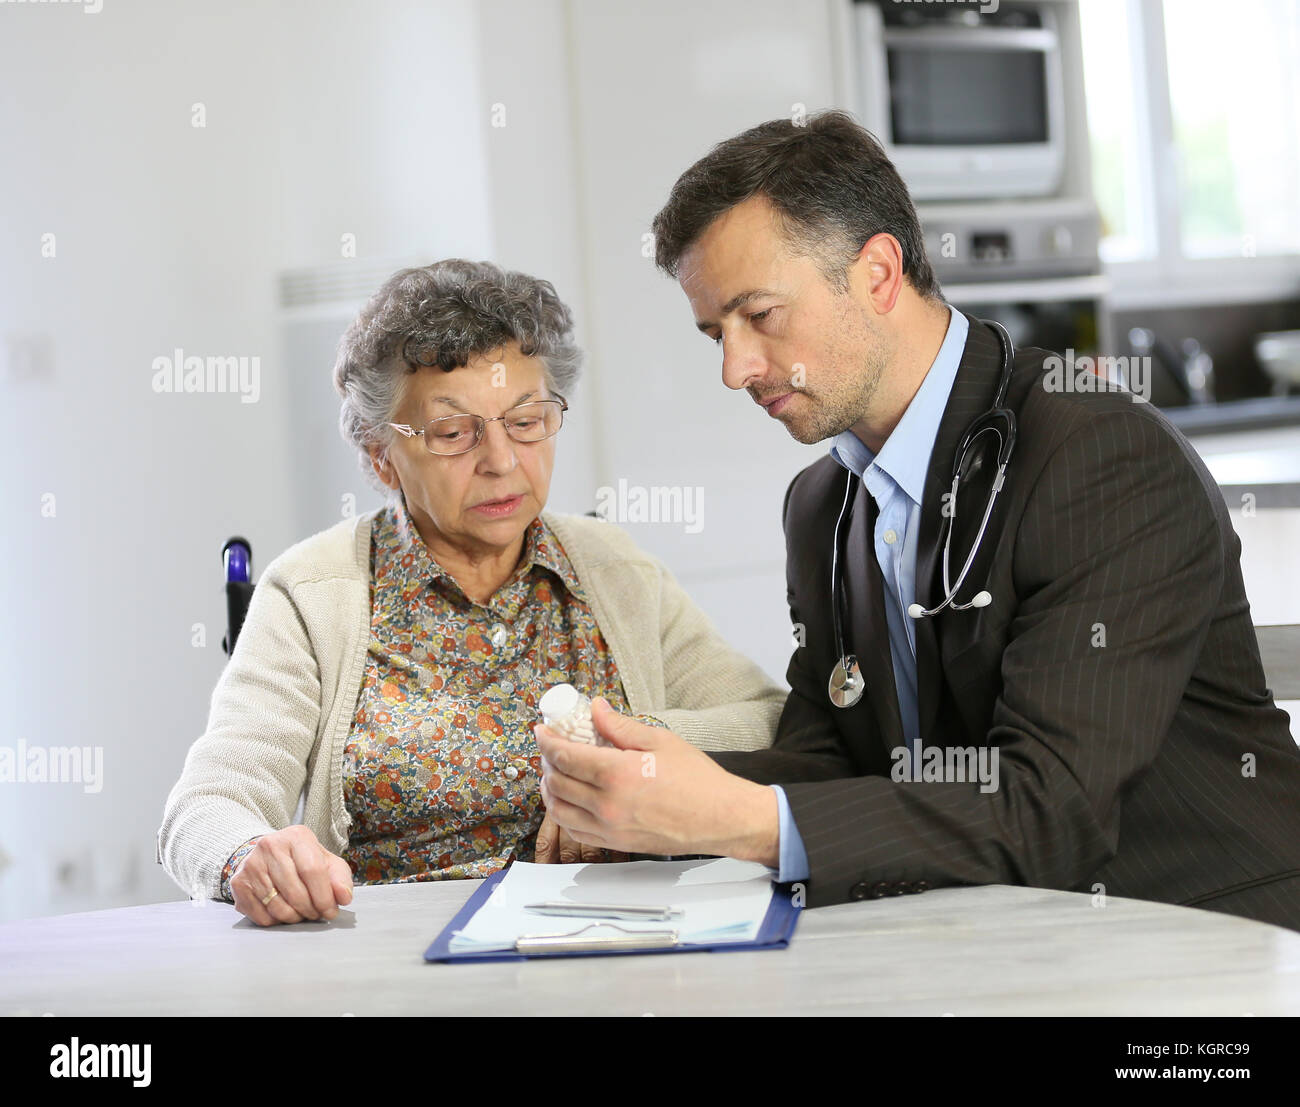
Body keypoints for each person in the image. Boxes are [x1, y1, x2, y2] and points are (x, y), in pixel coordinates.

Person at [536, 110, 1300, 931]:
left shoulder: (1098, 456)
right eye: (715, 332)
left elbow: (1050, 808)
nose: (735, 368)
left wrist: (730, 818)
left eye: (760, 316)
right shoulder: (822, 507)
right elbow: (835, 753)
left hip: (1206, 944)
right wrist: (651, 794)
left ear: (877, 273)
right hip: (1008, 939)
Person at [156, 259, 784, 926]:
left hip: (608, 942)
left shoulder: (613, 570)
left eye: (527, 420)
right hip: (397, 961)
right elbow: (205, 806)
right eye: (455, 433)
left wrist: (615, 753)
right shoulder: (315, 594)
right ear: (379, 454)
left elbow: (769, 722)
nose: (502, 460)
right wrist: (248, 855)